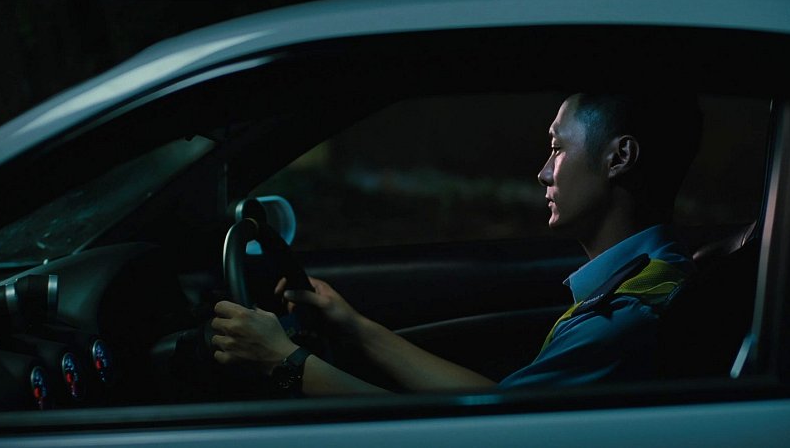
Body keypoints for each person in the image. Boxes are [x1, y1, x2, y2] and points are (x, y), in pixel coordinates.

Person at [209, 91, 704, 395]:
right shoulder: (646, 281)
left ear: (619, 158)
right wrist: (356, 328)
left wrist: (285, 363)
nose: (543, 172)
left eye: (557, 148)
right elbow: (499, 405)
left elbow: (476, 435)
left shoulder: (625, 318)